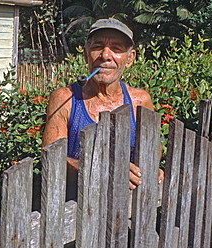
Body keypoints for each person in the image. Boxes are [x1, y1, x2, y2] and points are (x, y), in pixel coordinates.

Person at [42, 18, 164, 199]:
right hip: (76, 208)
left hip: (129, 208)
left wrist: (149, 167)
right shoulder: (65, 98)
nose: (105, 55)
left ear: (130, 59)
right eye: (98, 46)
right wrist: (102, 168)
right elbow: (52, 158)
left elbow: (154, 147)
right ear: (86, 54)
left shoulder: (140, 100)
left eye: (116, 48)